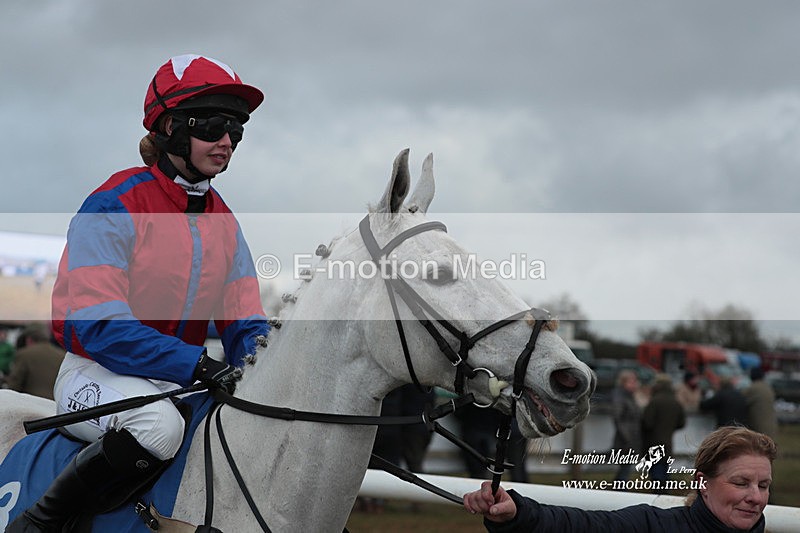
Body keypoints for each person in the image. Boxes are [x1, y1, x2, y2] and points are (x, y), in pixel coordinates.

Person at [8, 54, 269, 532]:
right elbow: (99, 325)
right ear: (172, 127)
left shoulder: (225, 223)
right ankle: (41, 522)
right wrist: (196, 364)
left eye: (236, 128)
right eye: (213, 125)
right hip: (95, 373)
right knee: (159, 428)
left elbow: (246, 322)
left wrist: (264, 373)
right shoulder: (113, 203)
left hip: (179, 380)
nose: (227, 140)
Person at [464, 426, 775, 532]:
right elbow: (580, 526)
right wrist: (517, 514)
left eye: (763, 486)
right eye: (740, 482)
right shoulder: (652, 526)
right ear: (702, 483)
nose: (756, 497)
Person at [640, 374, 686, 488]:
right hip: (668, 442)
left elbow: (647, 422)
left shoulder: (654, 401)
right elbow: (681, 423)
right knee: (665, 472)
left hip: (653, 442)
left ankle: (657, 496)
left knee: (656, 473)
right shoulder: (676, 402)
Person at [4, 323, 65, 400]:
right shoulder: (62, 355)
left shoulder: (24, 354)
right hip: (54, 405)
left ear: (28, 340)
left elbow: (14, 386)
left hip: (30, 405)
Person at [610, 369, 642, 482]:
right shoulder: (620, 397)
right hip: (624, 442)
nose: (635, 384)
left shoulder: (630, 396)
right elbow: (618, 418)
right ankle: (618, 493)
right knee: (624, 472)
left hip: (631, 440)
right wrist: (627, 438)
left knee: (624, 471)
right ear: (624, 382)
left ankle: (617, 492)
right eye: (632, 381)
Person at [744, 368, 778, 440]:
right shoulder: (768, 387)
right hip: (771, 424)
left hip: (758, 426)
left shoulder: (753, 388)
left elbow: (741, 400)